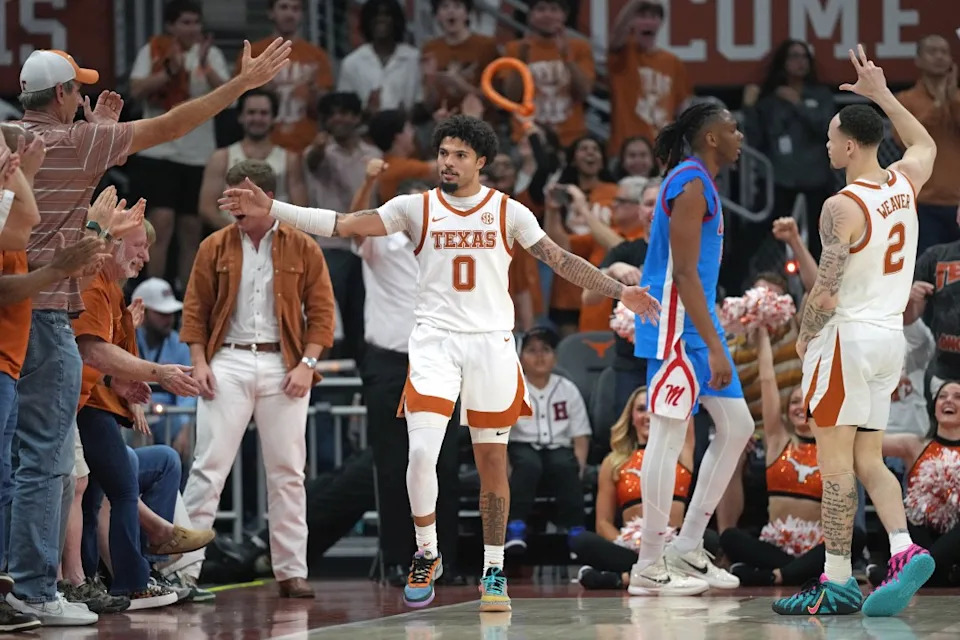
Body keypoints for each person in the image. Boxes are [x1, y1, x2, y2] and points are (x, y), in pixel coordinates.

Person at [218, 114, 660, 612]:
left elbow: (561, 261)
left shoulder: (508, 211)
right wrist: (272, 207)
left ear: (481, 162)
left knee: (494, 460)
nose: (447, 163)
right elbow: (342, 224)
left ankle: (494, 569)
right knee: (422, 453)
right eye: (443, 153)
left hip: (491, 343)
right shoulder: (415, 207)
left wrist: (622, 291)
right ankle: (427, 552)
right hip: (434, 342)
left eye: (459, 155)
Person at [8, 39, 289, 625]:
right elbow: (173, 122)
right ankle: (35, 589)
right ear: (62, 96)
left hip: (10, 312)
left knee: (24, 461)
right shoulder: (79, 140)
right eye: (77, 90)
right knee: (47, 463)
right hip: (49, 314)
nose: (82, 98)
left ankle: (29, 582)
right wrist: (241, 85)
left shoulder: (10, 141)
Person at [772, 44, 938, 617]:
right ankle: (903, 547)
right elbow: (925, 143)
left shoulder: (841, 206)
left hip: (847, 338)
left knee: (837, 467)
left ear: (847, 145)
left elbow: (827, 288)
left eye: (830, 137)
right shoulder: (903, 182)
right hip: (889, 339)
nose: (825, 145)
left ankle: (837, 582)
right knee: (869, 460)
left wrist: (802, 335)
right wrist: (883, 93)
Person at [181, 160, 336, 598]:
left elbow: (323, 312)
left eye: (239, 197)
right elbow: (195, 309)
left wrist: (307, 365)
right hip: (226, 361)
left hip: (283, 364)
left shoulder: (303, 246)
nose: (229, 205)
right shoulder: (214, 245)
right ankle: (183, 572)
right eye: (226, 196)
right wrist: (199, 362)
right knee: (208, 468)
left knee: (288, 472)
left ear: (264, 196)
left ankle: (291, 570)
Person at [628, 101, 753, 596]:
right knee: (665, 437)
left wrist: (716, 339)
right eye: (732, 128)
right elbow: (681, 273)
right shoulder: (689, 182)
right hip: (676, 327)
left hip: (699, 324)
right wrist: (715, 347)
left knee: (738, 426)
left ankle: (688, 546)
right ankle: (649, 563)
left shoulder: (702, 182)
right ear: (710, 139)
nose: (739, 135)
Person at [0, 133, 100, 633]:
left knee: (24, 473)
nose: (13, 163)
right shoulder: (11, 215)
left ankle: (19, 592)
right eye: (5, 156)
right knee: (41, 467)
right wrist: (29, 173)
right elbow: (25, 231)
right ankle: (33, 590)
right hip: (7, 356)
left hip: (12, 359)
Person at [351, 163, 463, 585]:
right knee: (393, 463)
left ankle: (441, 558)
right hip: (389, 363)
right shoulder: (382, 244)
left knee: (443, 464)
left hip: (439, 363)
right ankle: (398, 559)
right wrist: (367, 181)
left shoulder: (452, 251)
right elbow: (351, 224)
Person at [721, 328, 864, 587]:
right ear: (787, 411)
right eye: (795, 402)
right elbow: (767, 381)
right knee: (730, 536)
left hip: (818, 545)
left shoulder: (836, 446)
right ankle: (798, 573)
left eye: (809, 399)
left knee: (856, 537)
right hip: (776, 544)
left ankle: (775, 576)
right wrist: (763, 339)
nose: (802, 407)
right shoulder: (778, 440)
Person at [128, 0, 230, 285]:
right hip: (158, 151)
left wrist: (205, 66)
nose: (191, 28)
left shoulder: (211, 54)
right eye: (185, 22)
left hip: (198, 154)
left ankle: (186, 297)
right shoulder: (154, 50)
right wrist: (170, 72)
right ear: (171, 25)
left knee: (191, 227)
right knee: (161, 223)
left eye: (195, 22)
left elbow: (228, 96)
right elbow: (136, 91)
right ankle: (154, 292)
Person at [572, 387, 695, 590]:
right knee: (582, 541)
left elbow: (688, 407)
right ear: (631, 417)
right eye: (641, 409)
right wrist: (628, 543)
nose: (648, 415)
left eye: (654, 409)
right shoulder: (613, 462)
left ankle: (625, 578)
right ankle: (654, 573)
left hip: (673, 547)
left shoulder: (679, 453)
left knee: (709, 539)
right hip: (632, 550)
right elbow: (603, 523)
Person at [504, 327, 591, 553]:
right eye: (531, 350)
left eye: (546, 350)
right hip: (522, 445)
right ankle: (515, 527)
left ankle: (576, 532)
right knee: (528, 465)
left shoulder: (567, 389)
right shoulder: (512, 388)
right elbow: (500, 433)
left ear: (555, 357)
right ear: (520, 357)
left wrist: (579, 466)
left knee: (565, 466)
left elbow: (580, 434)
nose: (540, 356)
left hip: (558, 445)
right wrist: (504, 468)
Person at [874, 380, 960, 588]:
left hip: (956, 537)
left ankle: (902, 575)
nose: (949, 400)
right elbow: (866, 444)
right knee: (901, 510)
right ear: (934, 406)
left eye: (957, 396)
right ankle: (939, 574)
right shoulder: (915, 445)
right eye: (943, 396)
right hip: (920, 533)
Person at [198, 88, 307, 230]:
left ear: (274, 118)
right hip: (232, 238)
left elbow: (300, 209)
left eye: (264, 113)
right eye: (251, 112)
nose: (257, 118)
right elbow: (206, 209)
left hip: (276, 241)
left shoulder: (290, 159)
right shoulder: (220, 158)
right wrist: (240, 232)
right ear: (240, 117)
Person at [891, 35, 960, 256]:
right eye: (932, 51)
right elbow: (905, 139)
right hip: (925, 202)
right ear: (918, 60)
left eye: (944, 51)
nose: (939, 56)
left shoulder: (958, 99)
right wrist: (939, 103)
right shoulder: (905, 100)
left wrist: (952, 100)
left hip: (958, 200)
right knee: (927, 268)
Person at [245, 0, 334, 152]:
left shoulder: (317, 56)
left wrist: (312, 89)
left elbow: (326, 110)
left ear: (301, 15)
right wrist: (264, 88)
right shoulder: (252, 53)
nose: (289, 14)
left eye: (295, 9)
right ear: (271, 12)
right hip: (262, 148)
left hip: (306, 147)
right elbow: (240, 105)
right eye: (283, 7)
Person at [607, 0, 691, 157]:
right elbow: (617, 34)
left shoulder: (673, 62)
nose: (648, 21)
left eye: (653, 17)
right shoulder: (623, 54)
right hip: (625, 150)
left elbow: (682, 107)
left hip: (661, 151)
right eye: (642, 16)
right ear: (632, 22)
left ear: (660, 23)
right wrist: (636, 3)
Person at [132, 277, 195, 453]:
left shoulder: (180, 345)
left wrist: (185, 429)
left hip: (167, 419)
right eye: (161, 313)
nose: (169, 319)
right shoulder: (125, 340)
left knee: (181, 433)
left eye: (171, 313)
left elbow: (187, 395)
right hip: (131, 417)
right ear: (142, 313)